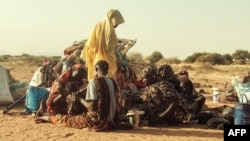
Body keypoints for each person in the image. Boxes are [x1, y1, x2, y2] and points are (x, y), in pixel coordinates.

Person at [35, 60, 131, 131]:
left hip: (97, 121)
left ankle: (42, 117)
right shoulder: (113, 82)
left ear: (96, 69)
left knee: (67, 120)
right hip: (113, 119)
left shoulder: (95, 82)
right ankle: (43, 116)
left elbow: (92, 106)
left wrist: (79, 99)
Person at [80, 9, 125, 81]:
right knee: (109, 78)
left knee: (97, 78)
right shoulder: (110, 31)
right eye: (116, 22)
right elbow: (110, 46)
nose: (117, 25)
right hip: (107, 59)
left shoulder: (98, 26)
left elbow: (90, 44)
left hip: (98, 58)